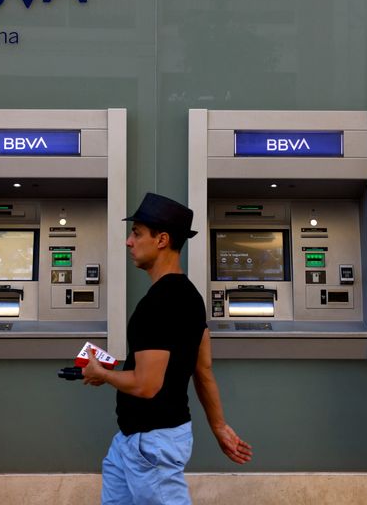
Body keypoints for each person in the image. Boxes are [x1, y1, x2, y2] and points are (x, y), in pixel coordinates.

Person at [82, 192, 252, 505]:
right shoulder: (191, 297)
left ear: (161, 239)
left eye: (136, 233)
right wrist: (218, 426)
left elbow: (147, 385)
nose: (128, 242)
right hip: (138, 440)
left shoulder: (157, 304)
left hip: (151, 443)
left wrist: (100, 374)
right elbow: (203, 369)